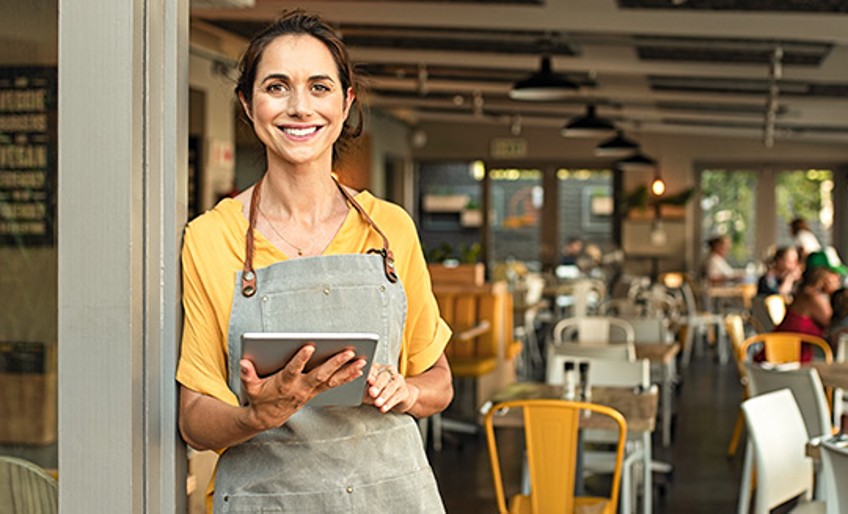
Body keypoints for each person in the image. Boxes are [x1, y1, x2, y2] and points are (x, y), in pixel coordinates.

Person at [176, 11, 453, 512]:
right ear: (247, 103)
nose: (300, 108)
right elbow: (194, 417)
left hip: (392, 497)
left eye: (319, 87)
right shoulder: (211, 238)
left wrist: (405, 392)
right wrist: (257, 415)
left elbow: (439, 382)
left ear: (346, 104)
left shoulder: (390, 228)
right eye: (277, 87)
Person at [773, 265, 842, 362]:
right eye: (835, 278)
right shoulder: (813, 298)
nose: (838, 281)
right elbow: (833, 323)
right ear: (824, 279)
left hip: (786, 355)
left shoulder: (804, 293)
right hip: (788, 359)